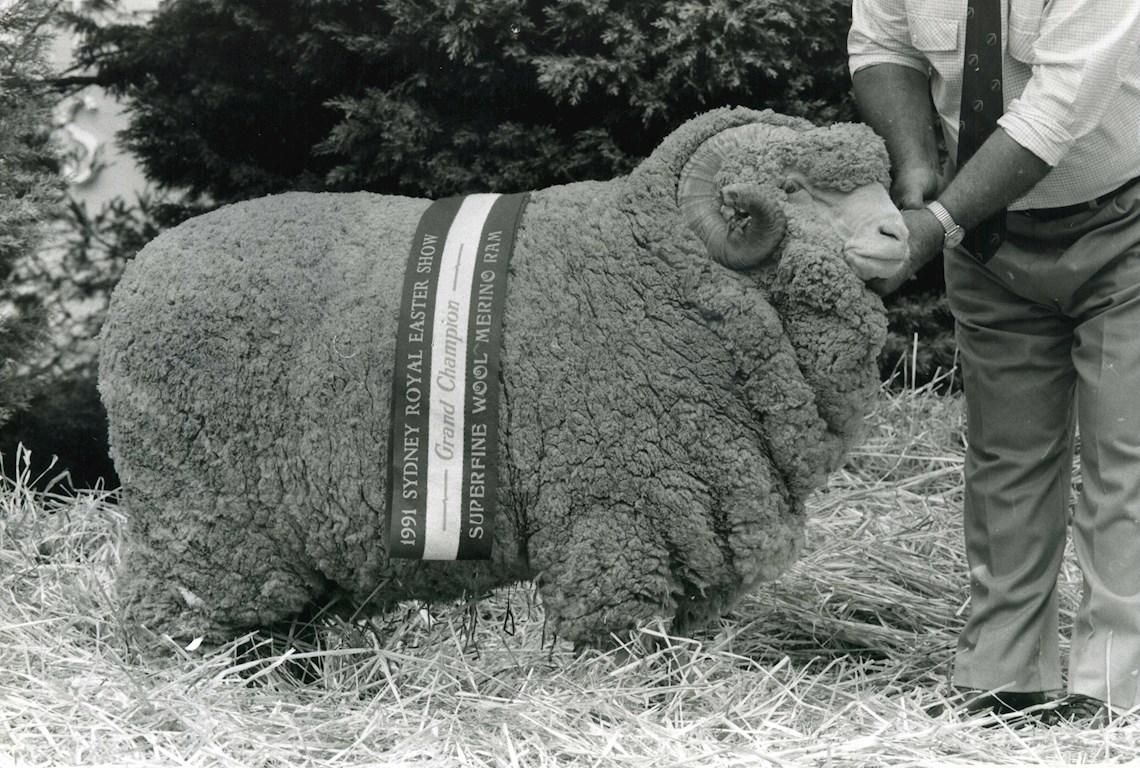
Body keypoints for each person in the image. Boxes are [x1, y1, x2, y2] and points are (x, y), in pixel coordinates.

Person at [848, 0, 1140, 726]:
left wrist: (938, 221)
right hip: (991, 237)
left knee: (1125, 456)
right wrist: (916, 166)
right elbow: (882, 44)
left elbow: (1057, 109)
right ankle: (1005, 678)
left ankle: (1113, 691)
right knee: (1005, 457)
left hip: (1127, 221)